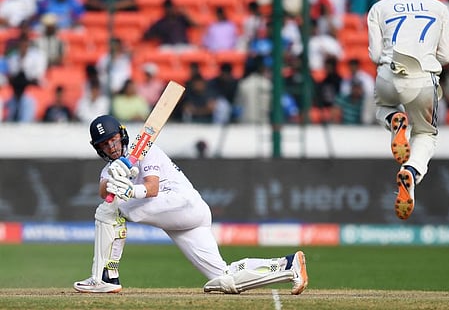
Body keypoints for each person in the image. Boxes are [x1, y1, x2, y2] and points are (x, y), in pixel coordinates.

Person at [73, 115, 308, 294]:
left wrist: (130, 190)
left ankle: (105, 277)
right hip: (183, 220)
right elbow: (104, 191)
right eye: (104, 144)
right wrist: (115, 178)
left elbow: (152, 189)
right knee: (223, 278)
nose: (110, 147)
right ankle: (287, 265)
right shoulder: (110, 169)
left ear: (121, 136)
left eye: (112, 140)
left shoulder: (145, 149)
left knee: (111, 210)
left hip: (181, 202)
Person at [367, 0, 449, 221]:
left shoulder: (378, 8)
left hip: (389, 74)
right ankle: (412, 172)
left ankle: (395, 119)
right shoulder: (438, 8)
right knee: (426, 135)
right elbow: (447, 55)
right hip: (423, 80)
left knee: (382, 107)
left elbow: (374, 54)